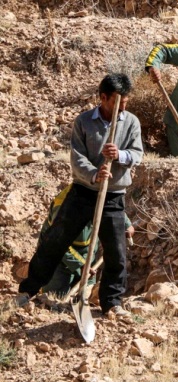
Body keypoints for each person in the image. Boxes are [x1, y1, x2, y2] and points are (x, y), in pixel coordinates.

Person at [16, 73, 143, 316]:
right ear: (103, 98)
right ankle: (28, 291)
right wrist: (95, 174)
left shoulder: (131, 122)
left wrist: (120, 155)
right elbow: (77, 158)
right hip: (83, 191)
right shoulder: (83, 121)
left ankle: (112, 304)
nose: (122, 107)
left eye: (126, 102)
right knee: (55, 241)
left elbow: (137, 153)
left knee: (116, 252)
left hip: (113, 195)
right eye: (117, 101)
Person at [38, 184, 134, 300]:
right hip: (58, 255)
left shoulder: (100, 192)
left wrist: (126, 223)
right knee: (53, 299)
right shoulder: (63, 205)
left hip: (88, 250)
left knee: (86, 294)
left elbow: (111, 205)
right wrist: (80, 264)